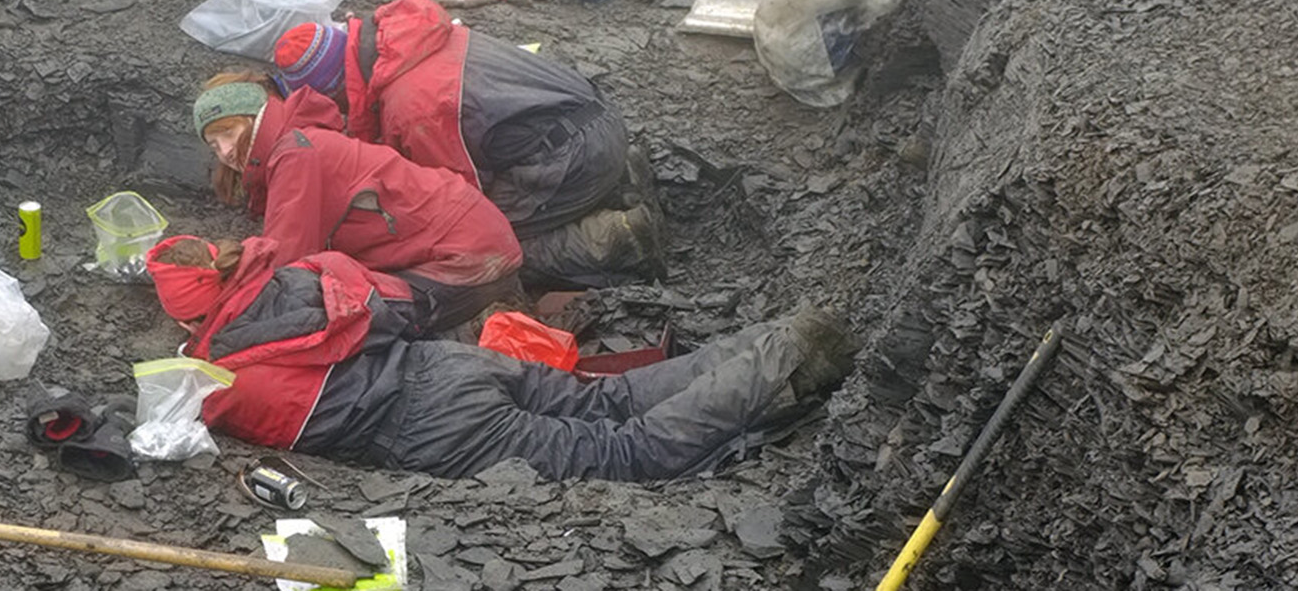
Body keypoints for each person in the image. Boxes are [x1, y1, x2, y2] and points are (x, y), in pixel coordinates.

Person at [147, 235, 857, 481]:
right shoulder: (304, 273)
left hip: (434, 428)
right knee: (609, 399)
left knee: (625, 453)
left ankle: (786, 362)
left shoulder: (225, 378)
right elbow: (396, 303)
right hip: (450, 365)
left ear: (186, 311)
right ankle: (769, 342)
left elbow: (220, 422)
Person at [262, 0, 664, 288]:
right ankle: (619, 179)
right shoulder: (404, 39)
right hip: (594, 120)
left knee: (486, 248)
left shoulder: (413, 106)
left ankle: (615, 237)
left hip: (575, 154)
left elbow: (462, 203)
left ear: (337, 88)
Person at [193, 75, 522, 333]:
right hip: (478, 236)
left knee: (346, 318)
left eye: (229, 132)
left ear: (255, 117)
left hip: (464, 255)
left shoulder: (295, 153)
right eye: (213, 145)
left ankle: (476, 324)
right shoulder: (300, 140)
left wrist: (222, 316)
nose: (225, 151)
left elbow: (285, 262)